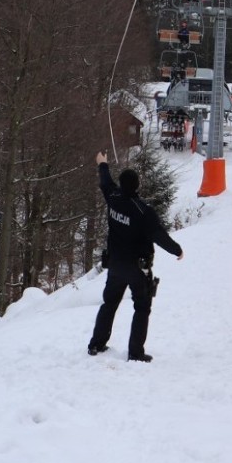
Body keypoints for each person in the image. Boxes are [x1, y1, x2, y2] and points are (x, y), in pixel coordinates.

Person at [88, 151, 183, 362]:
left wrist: (103, 163)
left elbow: (106, 182)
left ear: (121, 184)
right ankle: (135, 352)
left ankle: (96, 344)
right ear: (138, 186)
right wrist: (177, 250)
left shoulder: (113, 198)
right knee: (142, 307)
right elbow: (159, 235)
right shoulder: (144, 211)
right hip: (137, 268)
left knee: (109, 303)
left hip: (115, 264)